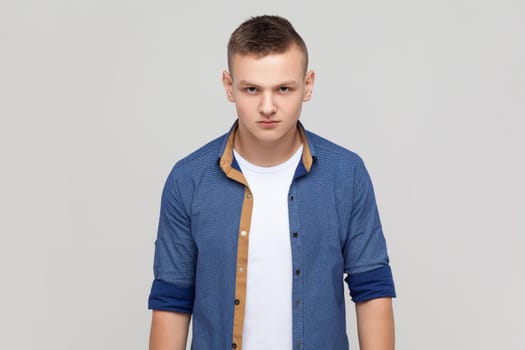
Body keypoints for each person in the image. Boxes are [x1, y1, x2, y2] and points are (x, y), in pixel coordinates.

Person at [148, 15, 396, 350]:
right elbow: (172, 300)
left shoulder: (346, 174)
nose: (267, 107)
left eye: (283, 88)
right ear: (228, 85)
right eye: (251, 89)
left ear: (307, 86)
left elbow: (373, 289)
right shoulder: (189, 180)